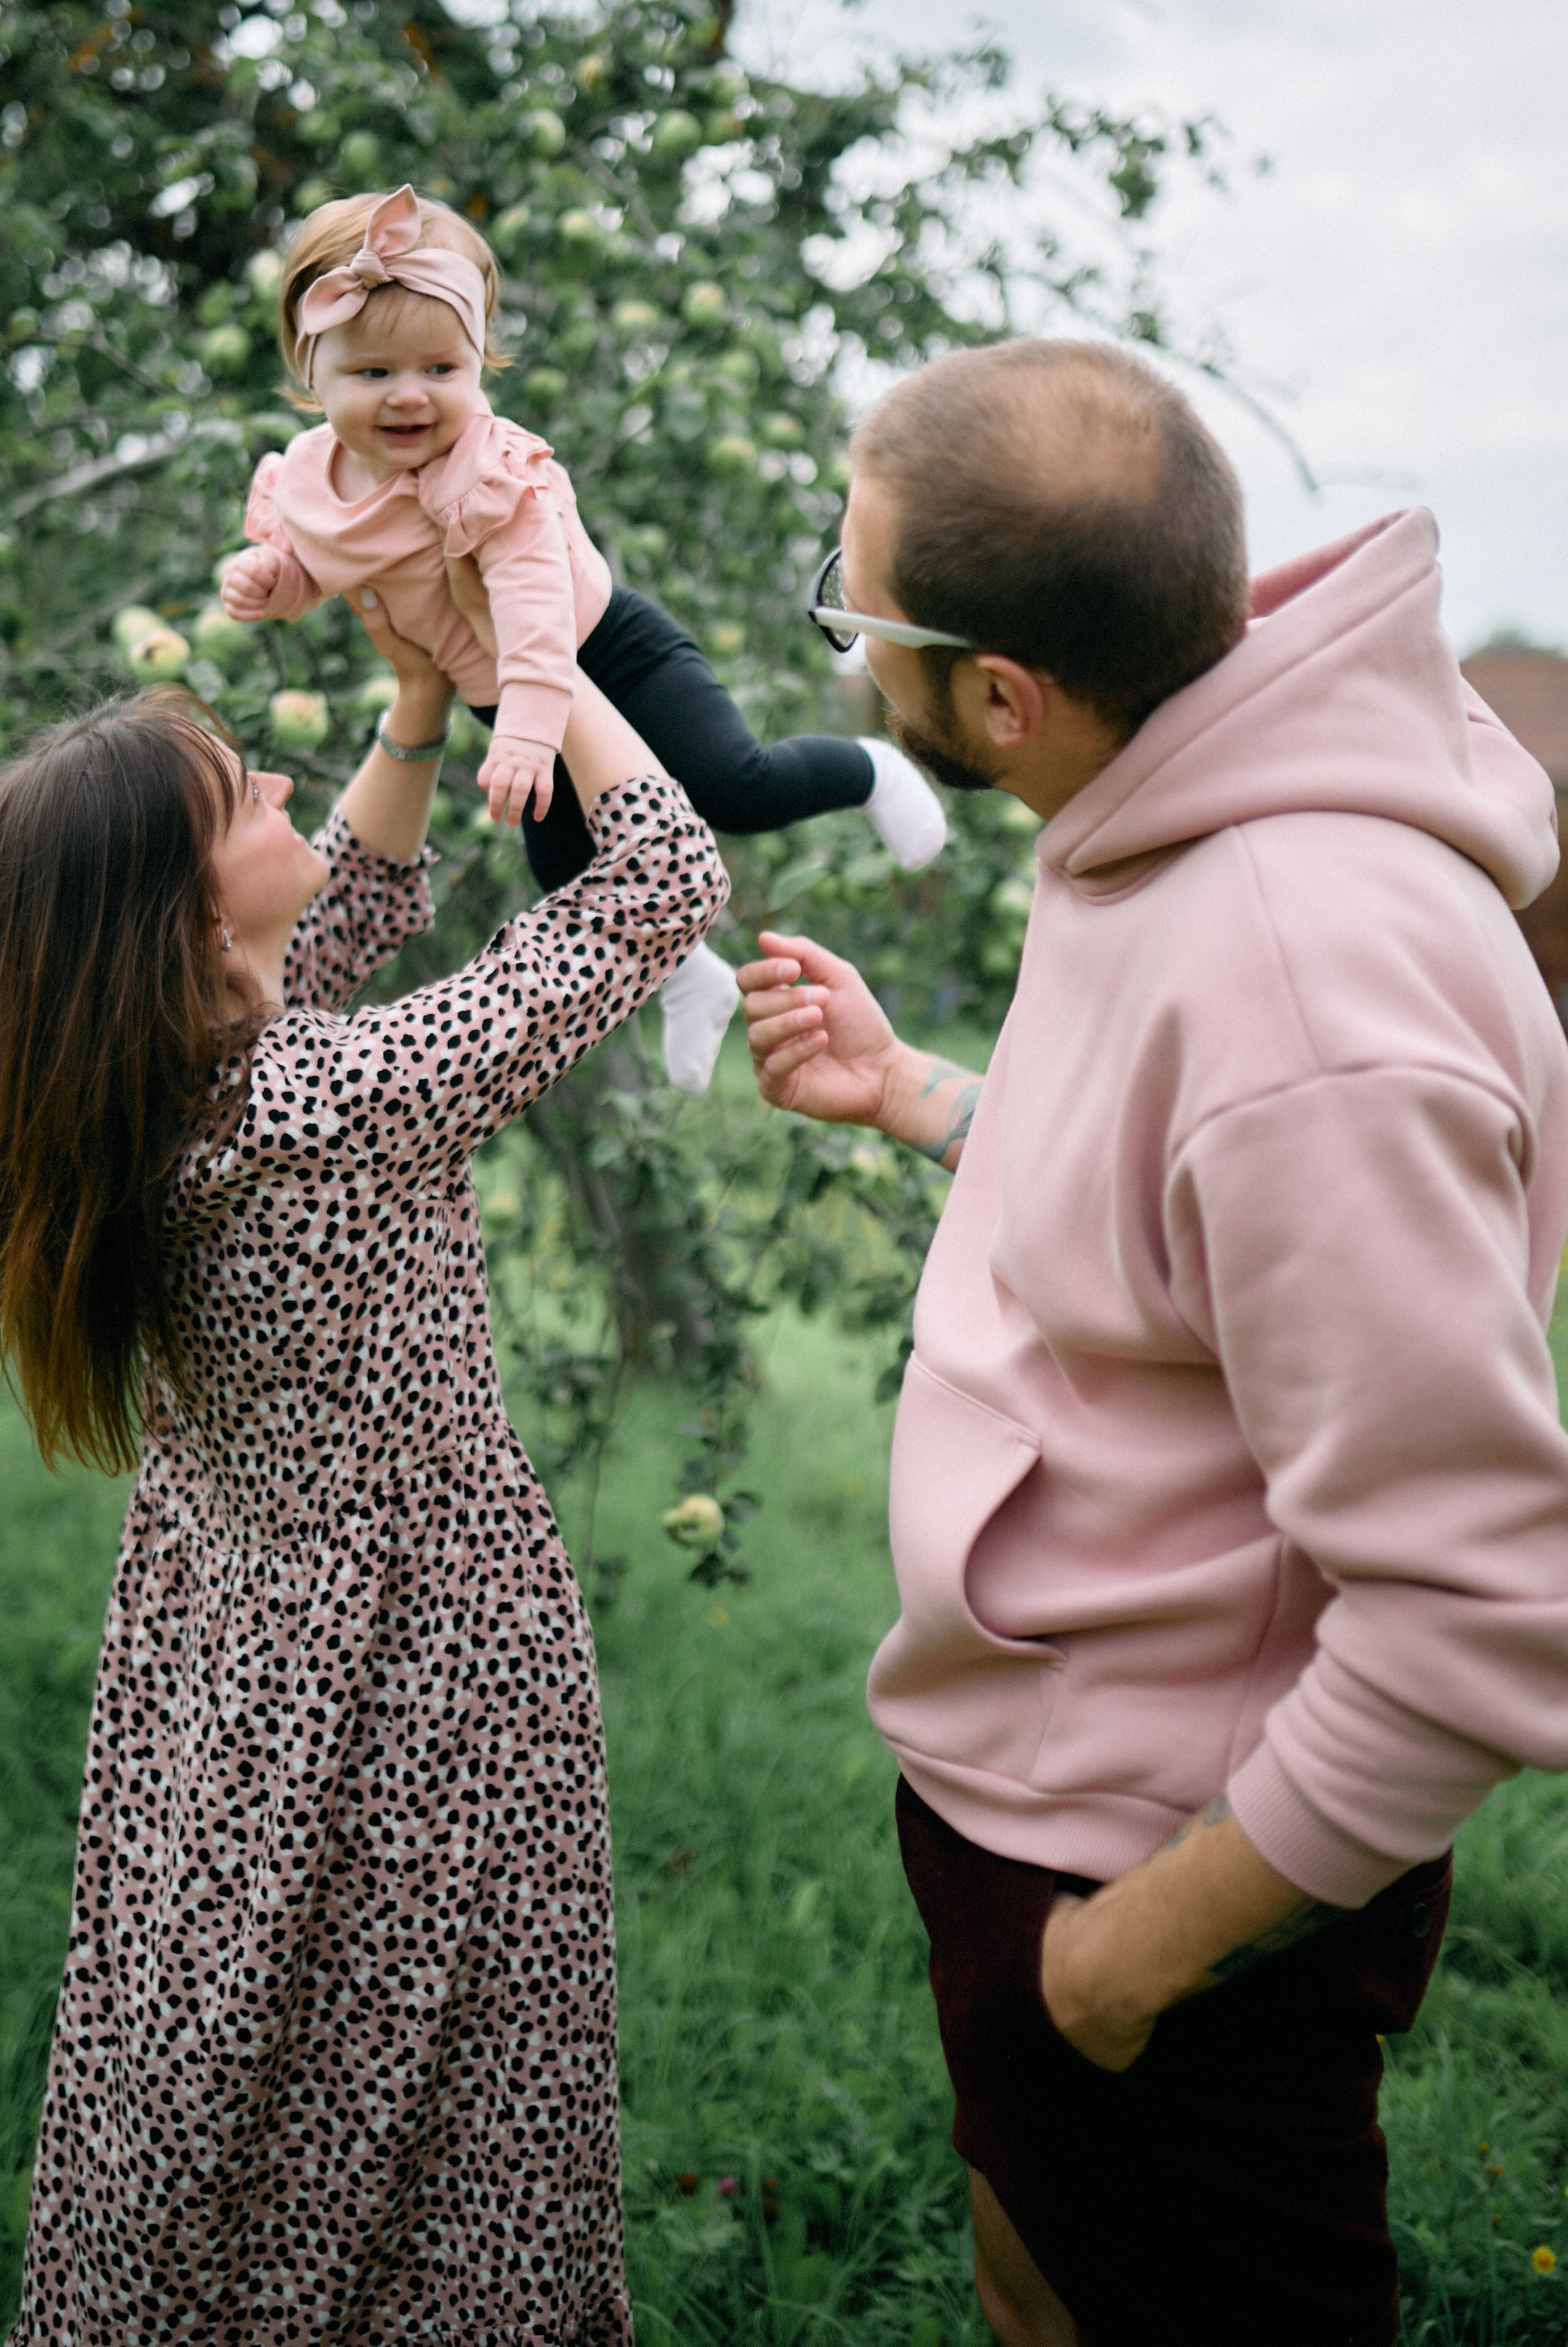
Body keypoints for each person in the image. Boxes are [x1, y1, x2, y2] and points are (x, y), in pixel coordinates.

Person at [739, 337, 1568, 2347]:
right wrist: (933, 1097)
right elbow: (1184, 1238)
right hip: (1035, 1801)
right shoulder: (1174, 801)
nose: (847, 652)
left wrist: (1127, 1963)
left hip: (1166, 1882)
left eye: (859, 612)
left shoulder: (1303, 989)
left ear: (999, 697)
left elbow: (1480, 1610)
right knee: (1044, 2280)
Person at [0, 582, 727, 2346]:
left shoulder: (156, 1085)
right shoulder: (323, 1107)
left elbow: (331, 922)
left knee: (247, 2065)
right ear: (178, 915)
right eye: (245, 796)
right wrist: (548, 655)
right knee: (452, 2087)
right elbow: (662, 884)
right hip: (415, 1664)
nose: (289, 788)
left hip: (245, 1651)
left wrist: (413, 706)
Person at [218, 182, 945, 1091]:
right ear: (309, 369)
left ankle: (867, 768)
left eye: (442, 370)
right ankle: (689, 977)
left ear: (479, 362)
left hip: (604, 655)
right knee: (571, 878)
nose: (411, 398)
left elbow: (526, 595)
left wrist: (530, 721)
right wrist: (271, 583)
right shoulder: (306, 483)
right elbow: (312, 571)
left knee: (731, 784)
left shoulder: (485, 466)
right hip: (502, 699)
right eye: (374, 375)